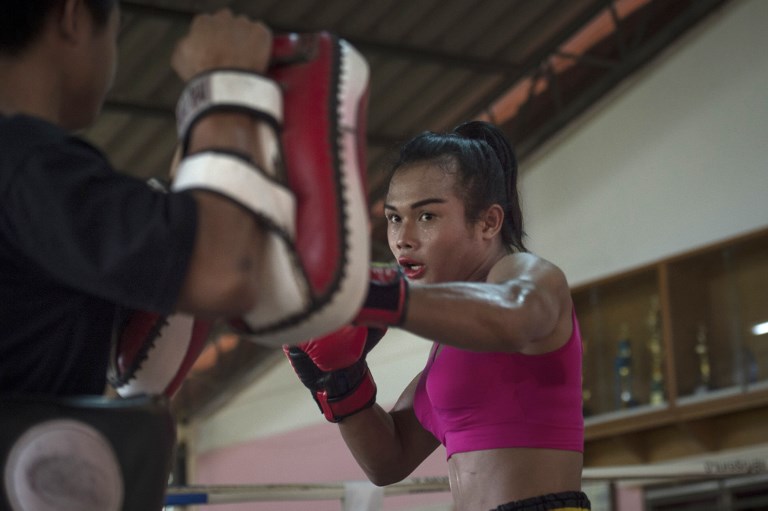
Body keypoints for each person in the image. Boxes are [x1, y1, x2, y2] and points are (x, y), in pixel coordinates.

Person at [1, 2, 370, 509]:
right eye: (114, 34)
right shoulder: (29, 164)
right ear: (72, 18)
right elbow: (222, 269)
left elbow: (170, 239)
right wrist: (225, 83)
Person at [286, 120, 591, 511]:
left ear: (488, 222)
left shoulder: (530, 276)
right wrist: (340, 382)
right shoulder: (449, 345)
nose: (402, 238)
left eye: (426, 216)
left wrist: (374, 294)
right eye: (394, 217)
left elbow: (513, 318)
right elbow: (388, 460)